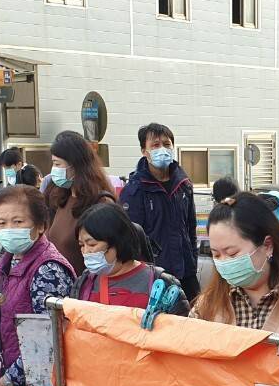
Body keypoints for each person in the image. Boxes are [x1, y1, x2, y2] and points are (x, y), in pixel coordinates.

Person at [192, 192, 279, 386]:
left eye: (232, 253)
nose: (224, 262)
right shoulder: (206, 307)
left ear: (267, 246)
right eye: (215, 254)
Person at [0, 184, 75, 386]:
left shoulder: (47, 268)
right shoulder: (8, 261)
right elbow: (9, 307)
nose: (8, 228)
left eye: (18, 221)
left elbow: (48, 335)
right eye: (2, 222)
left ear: (40, 226)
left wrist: (8, 379)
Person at [121, 123, 200, 299]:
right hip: (154, 277)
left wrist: (192, 261)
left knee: (195, 320)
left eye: (166, 144)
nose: (162, 149)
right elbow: (131, 239)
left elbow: (191, 228)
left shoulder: (184, 184)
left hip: (186, 272)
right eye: (155, 145)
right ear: (144, 151)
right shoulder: (135, 190)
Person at [73, 202, 190, 313]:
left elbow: (180, 330)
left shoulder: (161, 284)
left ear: (117, 241)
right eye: (81, 245)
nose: (86, 251)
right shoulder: (84, 283)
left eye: (92, 244)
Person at [44, 130, 117, 274]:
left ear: (76, 166)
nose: (54, 170)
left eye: (58, 164)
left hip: (84, 288)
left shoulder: (101, 202)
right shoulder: (61, 199)